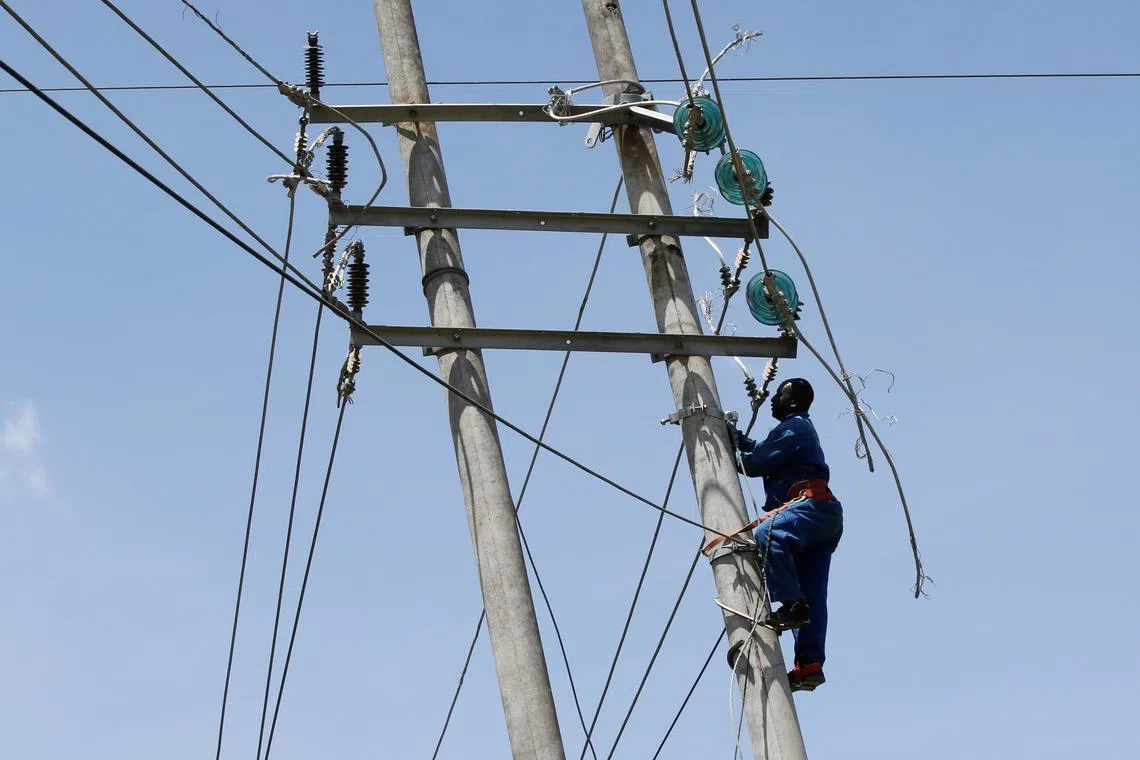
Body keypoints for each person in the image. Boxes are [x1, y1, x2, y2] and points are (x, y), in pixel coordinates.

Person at [729, 378, 842, 693]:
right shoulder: (795, 429)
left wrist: (724, 440)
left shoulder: (794, 427)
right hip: (820, 516)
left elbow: (753, 463)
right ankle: (809, 665)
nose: (773, 400)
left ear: (792, 401)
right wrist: (733, 435)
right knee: (814, 595)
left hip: (810, 509)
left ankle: (791, 605)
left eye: (779, 394)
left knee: (769, 532)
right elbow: (760, 451)